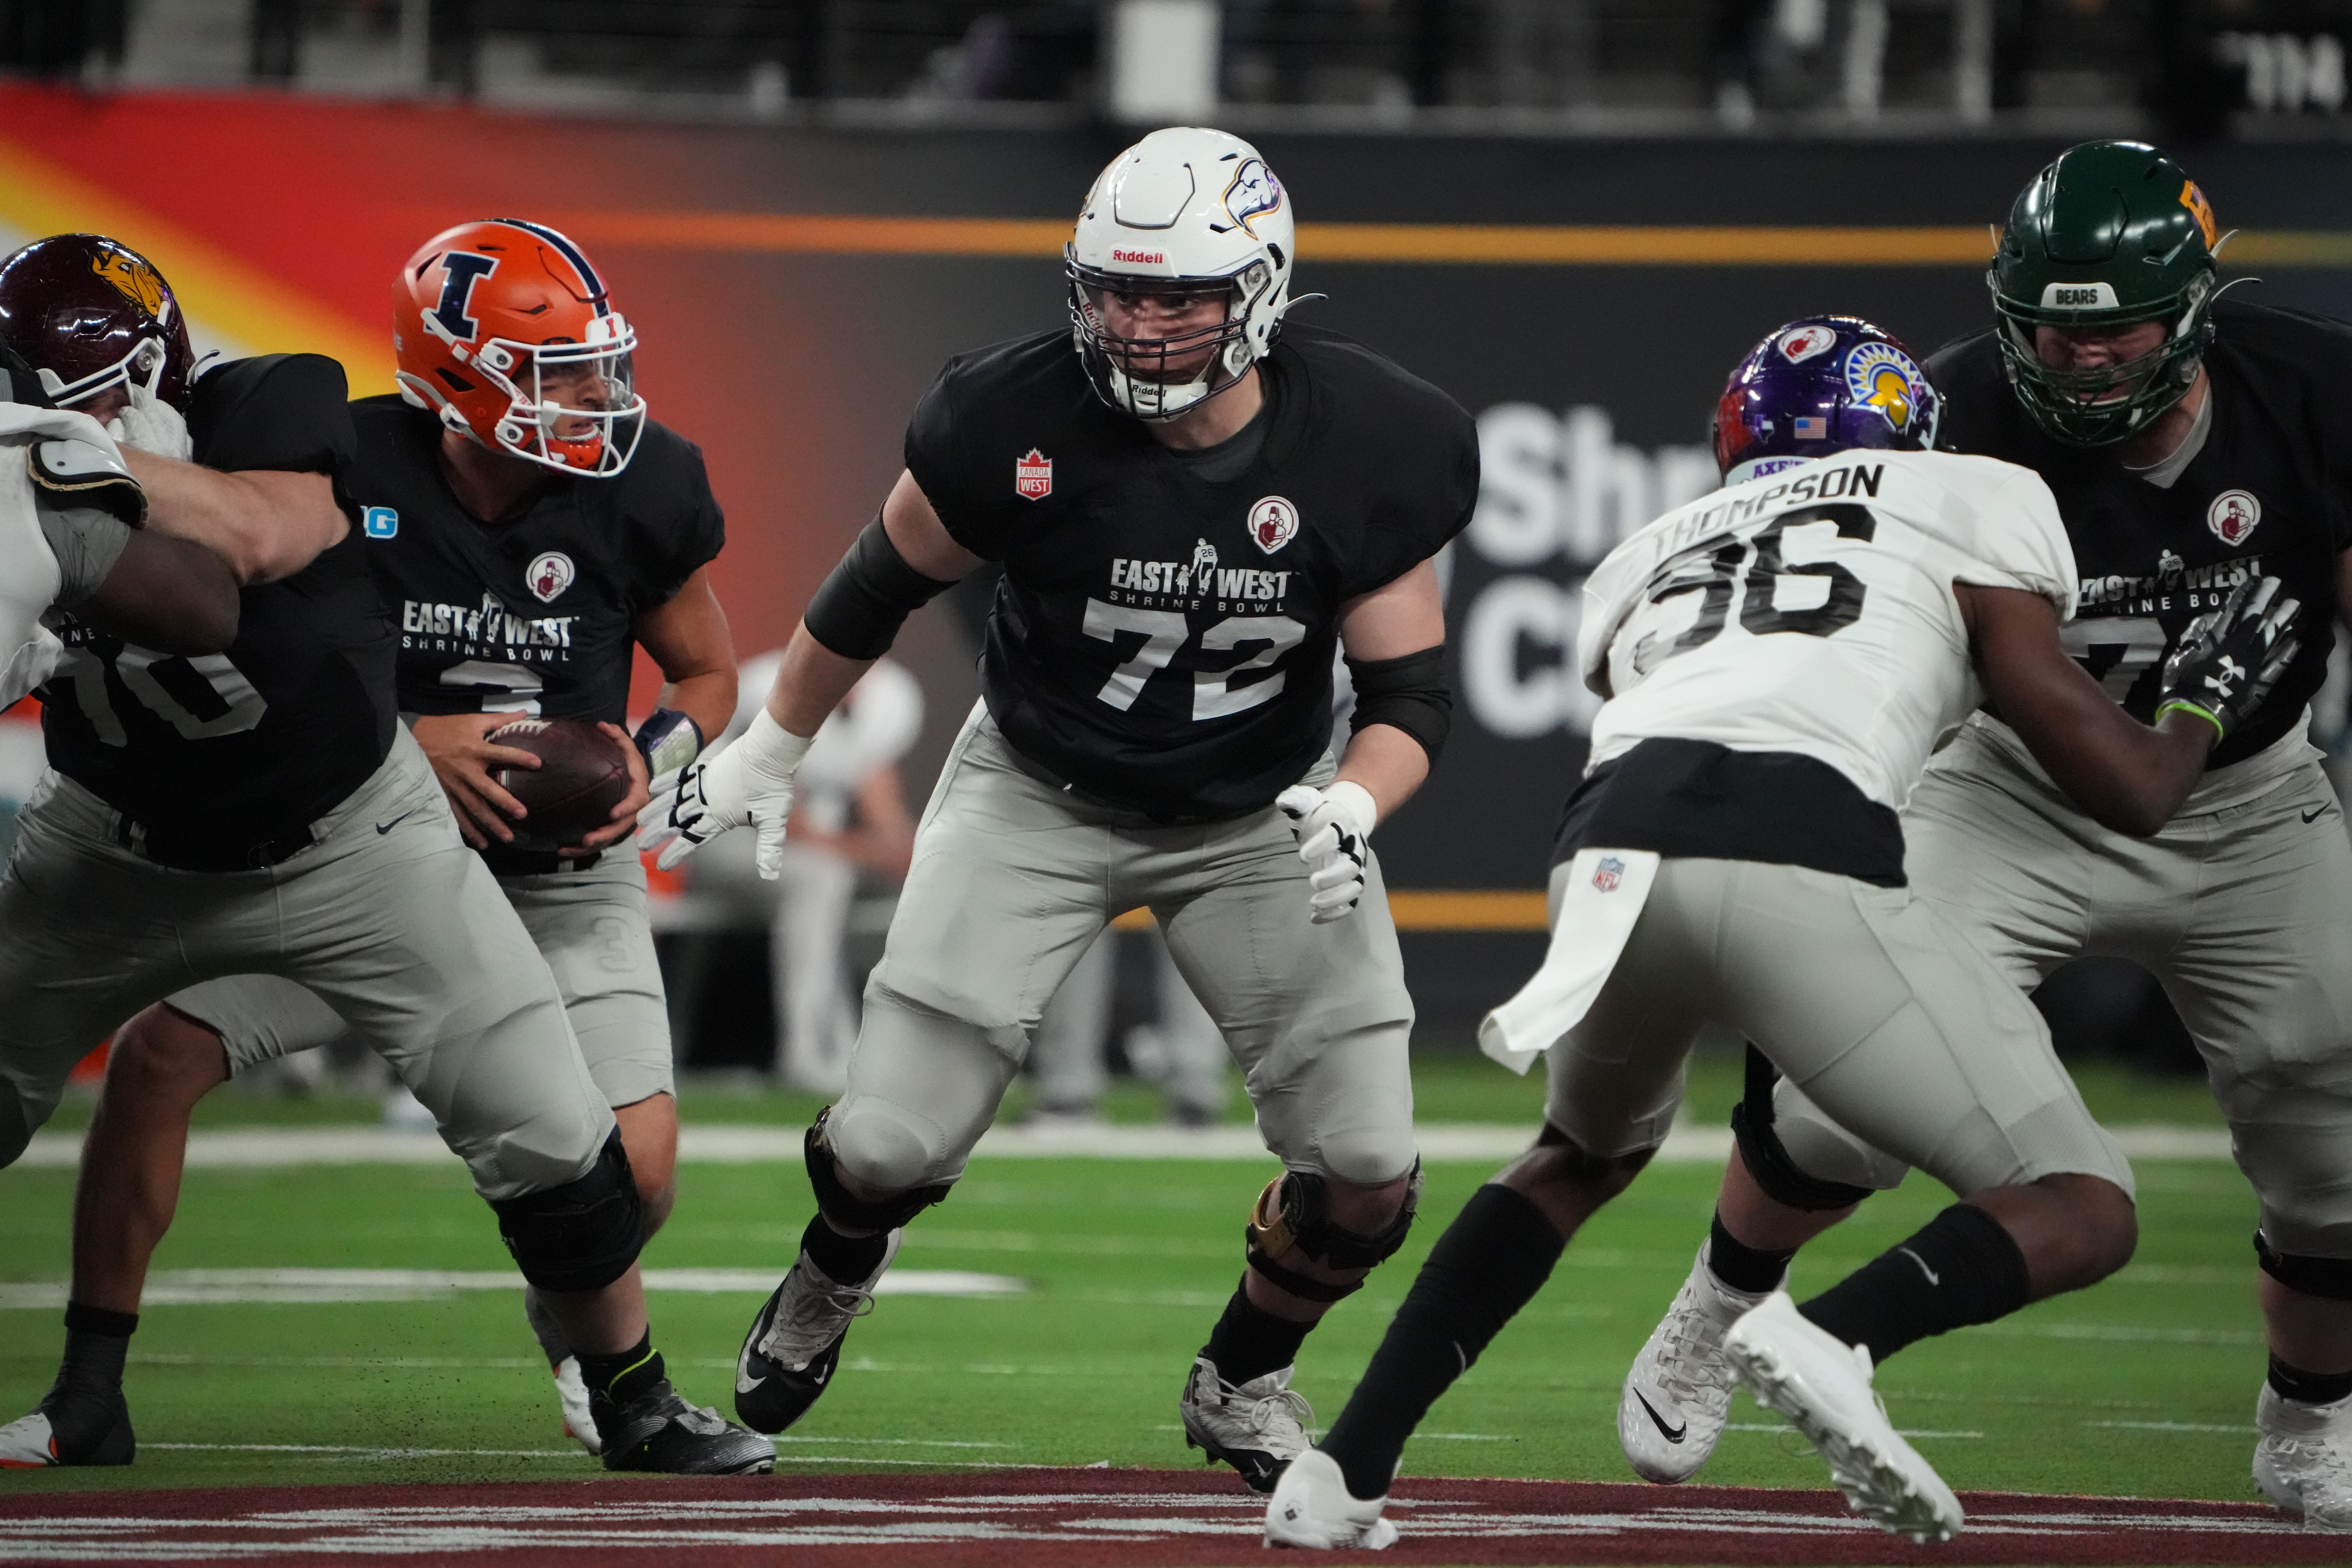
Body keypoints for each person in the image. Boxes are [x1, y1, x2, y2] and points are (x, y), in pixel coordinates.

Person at [1263, 313, 2296, 1548]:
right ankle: (1837, 1336)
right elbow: (2129, 791)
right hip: (1791, 841)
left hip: (1604, 857)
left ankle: (1341, 1475)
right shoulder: (1975, 493)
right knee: (2083, 1205)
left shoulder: (1650, 546)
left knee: (1575, 1156)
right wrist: (2198, 701)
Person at [639, 126, 1476, 1490]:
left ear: (1259, 290)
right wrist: (769, 748)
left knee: (1371, 1166)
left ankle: (1243, 1376)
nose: (1143, 325)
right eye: (1118, 290)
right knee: (881, 1145)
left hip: (1257, 810)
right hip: (1038, 788)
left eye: (1181, 297)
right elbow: (872, 586)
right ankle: (838, 1267)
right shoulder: (1009, 416)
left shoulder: (1374, 439)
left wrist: (1354, 802)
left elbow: (1411, 697)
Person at [1612, 141, 2352, 1532]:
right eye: (2053, 331)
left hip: (2253, 802)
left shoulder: (2310, 390)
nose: (2079, 361)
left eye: (2114, 328)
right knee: (1848, 1083)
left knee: (2336, 1148)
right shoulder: (1945, 415)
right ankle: (1722, 1300)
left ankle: (2309, 1423)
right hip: (2008, 782)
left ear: (2192, 306)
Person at [0, 230, 769, 1476]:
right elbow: (303, 643)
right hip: (239, 848)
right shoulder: (348, 455)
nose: (594, 401)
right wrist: (423, 739)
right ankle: (91, 1389)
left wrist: (650, 754)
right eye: (555, 373)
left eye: (592, 369)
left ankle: (604, 1364)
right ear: (460, 378)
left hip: (468, 862)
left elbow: (705, 671)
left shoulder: (609, 480)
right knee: (153, 1062)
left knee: (606, 1167)